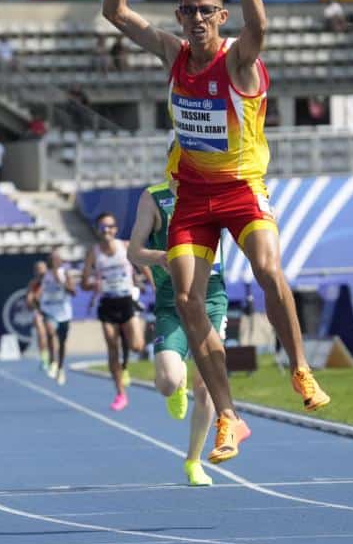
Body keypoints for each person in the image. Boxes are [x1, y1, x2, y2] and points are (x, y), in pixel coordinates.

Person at [102, 0, 330, 464]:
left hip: (241, 187)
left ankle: (300, 368)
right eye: (188, 11)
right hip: (193, 197)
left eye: (206, 10)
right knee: (186, 299)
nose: (196, 19)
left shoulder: (238, 61)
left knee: (268, 269)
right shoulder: (173, 53)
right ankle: (227, 414)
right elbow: (116, 12)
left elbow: (261, 27)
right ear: (180, 17)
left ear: (221, 16)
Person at [128, 177, 227, 486]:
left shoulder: (214, 188)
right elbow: (134, 252)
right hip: (173, 299)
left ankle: (193, 461)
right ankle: (178, 379)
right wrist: (161, 257)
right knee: (167, 383)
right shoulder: (154, 197)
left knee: (206, 386)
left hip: (211, 297)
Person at [82, 211, 145, 411]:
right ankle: (120, 394)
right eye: (103, 227)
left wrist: (153, 286)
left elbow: (144, 267)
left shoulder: (125, 246)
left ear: (115, 229)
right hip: (107, 303)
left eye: (110, 226)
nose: (106, 230)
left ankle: (125, 363)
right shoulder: (93, 253)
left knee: (137, 346)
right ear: (98, 230)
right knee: (111, 345)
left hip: (126, 301)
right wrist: (93, 284)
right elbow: (83, 283)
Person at [39, 249, 77, 385]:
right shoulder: (44, 275)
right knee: (50, 333)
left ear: (60, 262)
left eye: (55, 259)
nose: (53, 262)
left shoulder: (65, 274)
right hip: (49, 309)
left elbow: (73, 292)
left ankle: (60, 368)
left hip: (63, 312)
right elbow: (37, 289)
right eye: (51, 260)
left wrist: (60, 282)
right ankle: (53, 361)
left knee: (62, 342)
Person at [25, 260, 55, 372]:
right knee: (42, 334)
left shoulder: (52, 281)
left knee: (51, 335)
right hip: (39, 311)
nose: (41, 272)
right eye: (38, 269)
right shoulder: (33, 284)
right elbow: (29, 301)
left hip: (52, 311)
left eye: (43, 269)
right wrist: (32, 299)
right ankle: (44, 359)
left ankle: (53, 358)